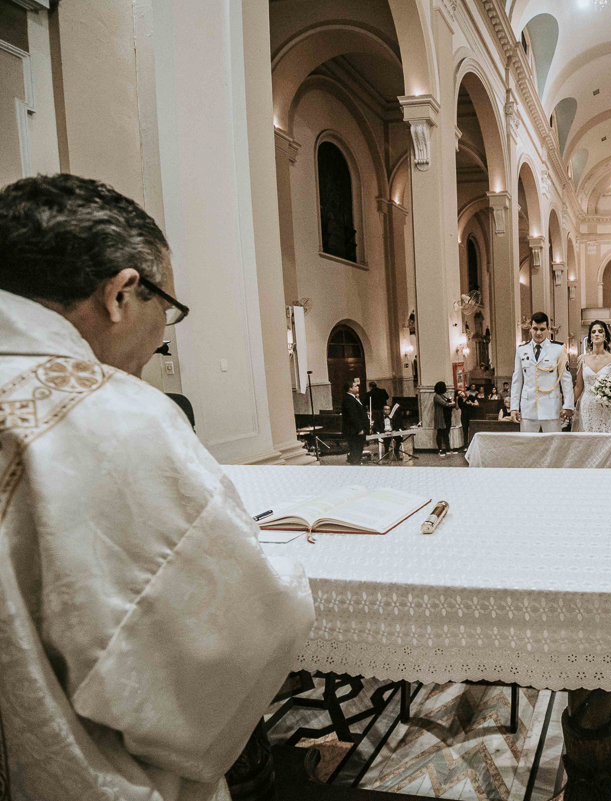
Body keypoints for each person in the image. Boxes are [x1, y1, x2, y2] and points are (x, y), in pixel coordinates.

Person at [0, 173, 314, 801]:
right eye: (167, 306)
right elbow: (219, 640)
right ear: (121, 294)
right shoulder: (110, 416)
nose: (165, 334)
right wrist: (288, 574)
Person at [511, 312, 574, 432]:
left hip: (551, 408)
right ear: (530, 329)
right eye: (535, 329)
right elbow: (517, 380)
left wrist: (568, 405)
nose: (538, 333)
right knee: (528, 446)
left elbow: (566, 380)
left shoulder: (558, 349)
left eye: (542, 329)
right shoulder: (521, 350)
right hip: (528, 407)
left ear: (548, 329)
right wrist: (514, 407)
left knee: (553, 446)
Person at [575, 319, 611, 433]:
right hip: (587, 404)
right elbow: (578, 387)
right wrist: (568, 405)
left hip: (606, 406)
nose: (596, 334)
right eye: (593, 332)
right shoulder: (582, 359)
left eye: (600, 331)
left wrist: (610, 393)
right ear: (590, 336)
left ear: (605, 336)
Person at [342, 376, 370, 464]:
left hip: (357, 430)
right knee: (355, 451)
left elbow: (358, 412)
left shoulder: (353, 398)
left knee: (358, 451)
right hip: (354, 431)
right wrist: (359, 429)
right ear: (350, 388)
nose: (358, 387)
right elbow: (353, 416)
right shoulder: (348, 399)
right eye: (355, 386)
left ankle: (356, 465)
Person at [432, 380, 456, 455]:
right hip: (441, 417)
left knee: (446, 433)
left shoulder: (442, 396)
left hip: (446, 417)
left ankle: (448, 449)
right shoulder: (437, 396)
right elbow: (445, 404)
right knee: (440, 433)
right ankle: (440, 449)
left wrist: (451, 402)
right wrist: (452, 403)